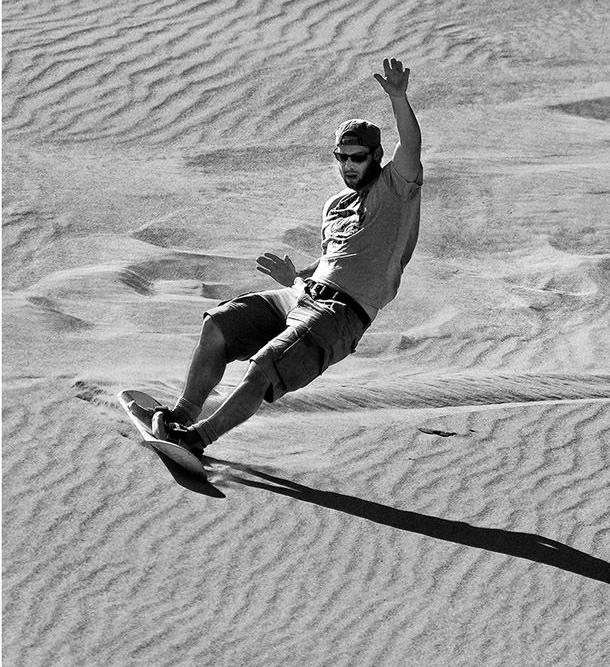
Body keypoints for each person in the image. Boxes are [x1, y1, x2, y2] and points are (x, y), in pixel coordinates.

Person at [149, 57, 423, 455]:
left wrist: (399, 99)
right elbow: (336, 258)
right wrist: (297, 276)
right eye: (341, 157)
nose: (348, 165)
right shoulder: (335, 205)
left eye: (357, 157)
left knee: (264, 368)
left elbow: (411, 145)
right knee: (218, 327)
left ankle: (196, 441)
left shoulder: (395, 189)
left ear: (377, 155)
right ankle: (182, 415)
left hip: (340, 315)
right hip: (302, 294)